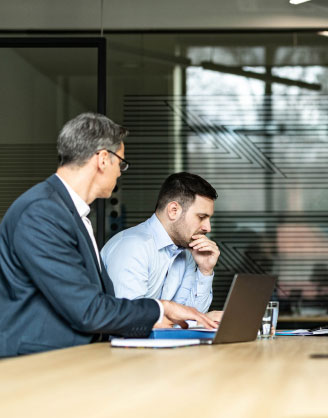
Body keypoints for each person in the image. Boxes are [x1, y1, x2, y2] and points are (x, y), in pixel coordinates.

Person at [0, 112, 215, 357]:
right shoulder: (42, 212)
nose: (121, 172)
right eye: (120, 163)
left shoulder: (69, 212)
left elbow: (97, 302)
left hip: (66, 361)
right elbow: (88, 310)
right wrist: (161, 308)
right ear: (103, 159)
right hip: (37, 367)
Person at [101, 172, 221, 325]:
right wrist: (203, 319)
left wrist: (205, 271)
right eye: (201, 217)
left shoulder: (187, 253)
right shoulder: (133, 247)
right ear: (173, 211)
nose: (208, 228)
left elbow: (188, 317)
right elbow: (131, 322)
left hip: (160, 346)